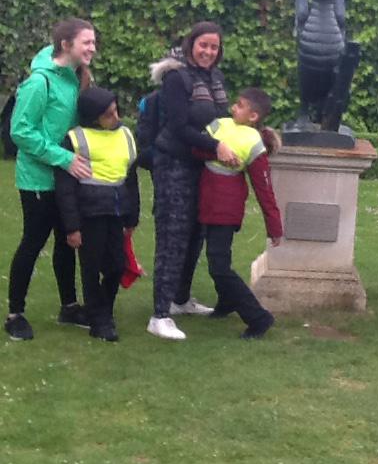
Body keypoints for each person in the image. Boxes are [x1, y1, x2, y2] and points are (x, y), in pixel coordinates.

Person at [4, 18, 96, 341]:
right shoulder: (39, 82)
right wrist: (64, 158)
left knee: (66, 241)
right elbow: (20, 131)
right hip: (38, 180)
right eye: (86, 42)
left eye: (93, 42)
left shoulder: (75, 78)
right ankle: (15, 314)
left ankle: (69, 307)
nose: (92, 48)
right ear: (66, 44)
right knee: (33, 242)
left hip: (65, 179)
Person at [147, 21, 238, 341]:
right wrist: (217, 146)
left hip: (201, 165)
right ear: (191, 44)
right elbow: (178, 127)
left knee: (196, 233)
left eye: (214, 47)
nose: (208, 52)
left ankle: (180, 299)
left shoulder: (215, 77)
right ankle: (159, 315)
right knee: (172, 236)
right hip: (173, 163)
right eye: (203, 45)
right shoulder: (176, 77)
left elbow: (221, 121)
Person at [54, 88, 140, 342]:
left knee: (117, 266)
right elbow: (65, 187)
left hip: (117, 211)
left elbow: (131, 179)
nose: (116, 117)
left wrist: (132, 217)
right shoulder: (75, 139)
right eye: (108, 114)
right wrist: (72, 227)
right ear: (93, 117)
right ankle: (100, 321)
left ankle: (101, 310)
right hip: (89, 214)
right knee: (91, 268)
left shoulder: (125, 134)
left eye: (115, 110)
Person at [198, 88, 281, 339]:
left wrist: (274, 226)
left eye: (240, 105)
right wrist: (217, 150)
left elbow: (264, 188)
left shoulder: (254, 143)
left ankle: (258, 317)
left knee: (219, 266)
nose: (233, 107)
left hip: (226, 209)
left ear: (253, 116)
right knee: (217, 260)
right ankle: (226, 301)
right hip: (207, 204)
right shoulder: (220, 124)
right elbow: (195, 148)